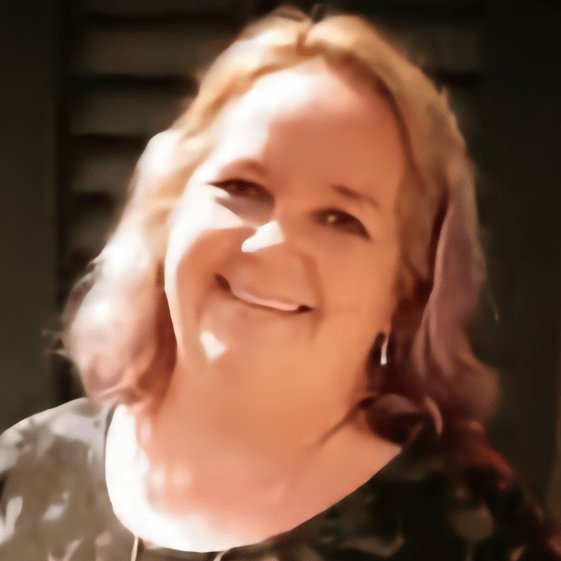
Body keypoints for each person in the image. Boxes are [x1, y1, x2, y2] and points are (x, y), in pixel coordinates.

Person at [1, 5, 560, 561]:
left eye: (341, 219)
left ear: (405, 292)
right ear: (167, 210)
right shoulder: (23, 471)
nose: (272, 243)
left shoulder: (472, 537)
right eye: (242, 187)